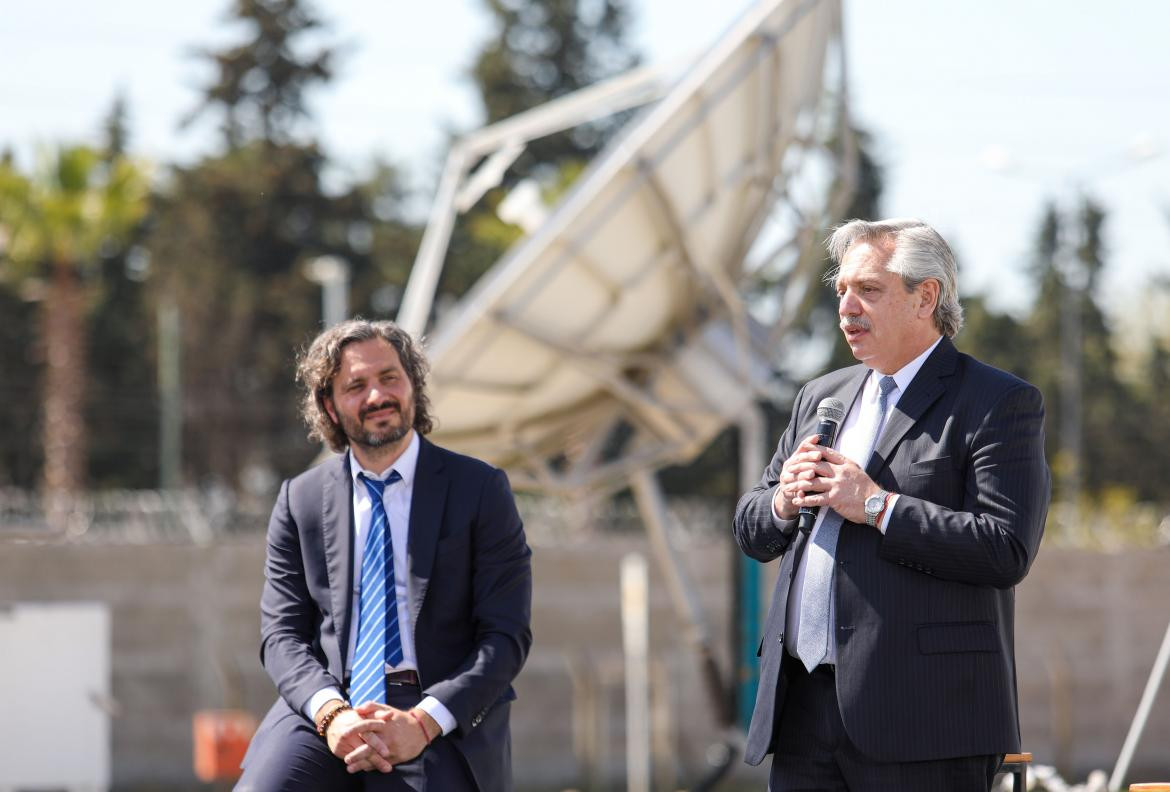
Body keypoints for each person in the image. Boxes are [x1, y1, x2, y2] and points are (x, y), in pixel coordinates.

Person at [733, 218, 1050, 791]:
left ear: (925, 296)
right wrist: (782, 501)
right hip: (804, 712)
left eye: (869, 290)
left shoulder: (996, 402)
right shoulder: (821, 397)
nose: (847, 308)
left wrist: (878, 507)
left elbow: (1005, 549)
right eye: (842, 292)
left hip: (925, 719)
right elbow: (752, 529)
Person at [237, 319, 532, 791]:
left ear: (412, 384)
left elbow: (506, 636)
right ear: (330, 408)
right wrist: (331, 714)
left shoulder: (480, 490)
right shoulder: (301, 499)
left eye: (389, 378)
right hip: (332, 704)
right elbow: (282, 635)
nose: (377, 396)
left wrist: (423, 722)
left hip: (439, 712)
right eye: (356, 386)